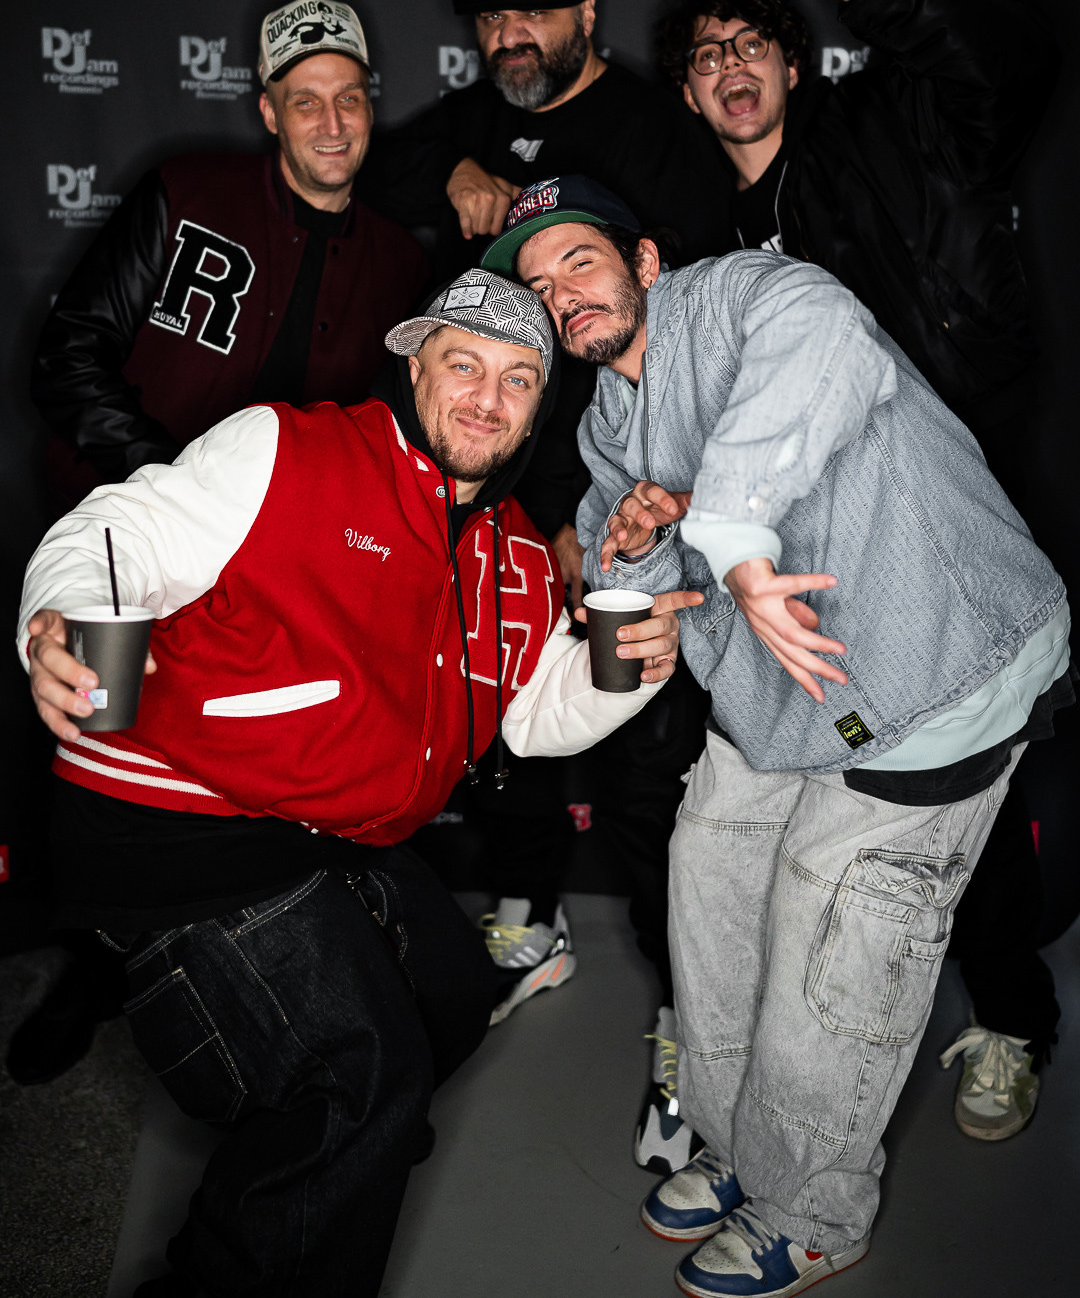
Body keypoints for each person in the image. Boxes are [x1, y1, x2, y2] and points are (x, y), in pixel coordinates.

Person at [17, 267, 700, 1298]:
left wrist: (630, 670)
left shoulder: (515, 553)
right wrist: (64, 619)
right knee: (361, 1074)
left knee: (452, 997)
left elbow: (532, 713)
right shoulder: (287, 449)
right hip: (176, 818)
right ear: (414, 366)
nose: (486, 398)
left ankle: (322, 1175)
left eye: (518, 380)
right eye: (463, 365)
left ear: (540, 407)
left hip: (326, 835)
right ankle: (311, 1186)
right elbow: (119, 532)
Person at [486, 179, 1070, 1298]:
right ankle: (742, 1148)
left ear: (644, 262)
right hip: (781, 698)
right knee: (711, 883)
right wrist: (638, 541)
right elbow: (627, 566)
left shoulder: (751, 295)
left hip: (935, 666)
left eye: (580, 262)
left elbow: (821, 336)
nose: (563, 295)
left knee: (832, 925)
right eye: (541, 285)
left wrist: (729, 531)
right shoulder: (607, 417)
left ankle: (813, 1210)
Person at [655, 0, 1066, 1140]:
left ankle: (1012, 1019)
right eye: (707, 56)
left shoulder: (884, 131)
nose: (731, 66)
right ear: (689, 95)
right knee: (839, 788)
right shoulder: (704, 248)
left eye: (752, 45)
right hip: (824, 558)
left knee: (959, 770)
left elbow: (1014, 69)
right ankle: (796, 1044)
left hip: (952, 510)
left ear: (795, 66)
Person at [6, 0, 429, 1089]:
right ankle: (84, 968)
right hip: (133, 534)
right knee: (87, 751)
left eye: (348, 99)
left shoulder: (398, 260)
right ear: (269, 111)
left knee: (214, 769)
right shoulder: (187, 192)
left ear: (371, 109)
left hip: (273, 584)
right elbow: (69, 356)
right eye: (304, 101)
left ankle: (201, 969)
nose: (330, 122)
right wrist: (176, 489)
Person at [368, 0, 724, 1168]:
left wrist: (599, 511)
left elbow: (686, 336)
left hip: (630, 506)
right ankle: (530, 920)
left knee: (650, 777)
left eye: (530, 16)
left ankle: (693, 1026)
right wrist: (461, 170)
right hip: (501, 506)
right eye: (490, 21)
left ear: (586, 14)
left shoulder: (654, 134)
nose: (508, 39)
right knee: (498, 714)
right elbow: (379, 168)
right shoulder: (475, 116)